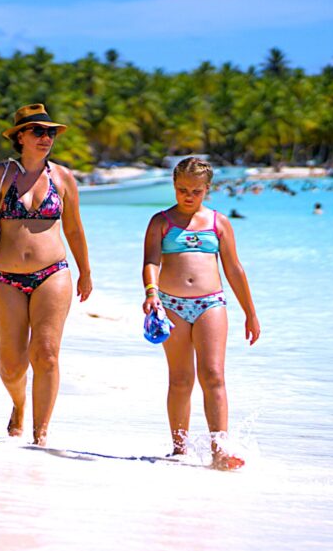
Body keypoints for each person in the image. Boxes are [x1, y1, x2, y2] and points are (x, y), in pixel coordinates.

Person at [0, 104, 93, 446]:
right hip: (5, 277)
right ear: (20, 136)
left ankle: (41, 435)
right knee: (11, 364)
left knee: (47, 353)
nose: (46, 138)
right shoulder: (1, 175)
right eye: (38, 131)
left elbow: (74, 229)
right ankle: (19, 405)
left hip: (53, 273)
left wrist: (85, 270)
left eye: (50, 132)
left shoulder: (64, 178)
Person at [142, 157, 261, 470]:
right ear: (174, 186)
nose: (188, 195)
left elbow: (234, 269)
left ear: (208, 189)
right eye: (182, 189)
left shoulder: (218, 223)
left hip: (211, 304)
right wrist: (151, 294)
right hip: (171, 305)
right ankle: (179, 448)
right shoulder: (161, 221)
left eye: (195, 190)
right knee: (181, 379)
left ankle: (219, 449)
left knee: (214, 375)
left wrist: (250, 312)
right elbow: (151, 261)